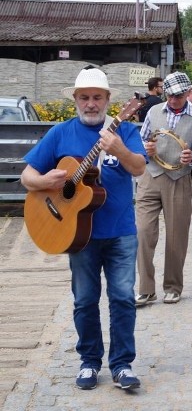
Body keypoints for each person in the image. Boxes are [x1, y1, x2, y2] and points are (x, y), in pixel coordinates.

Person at [21, 67, 147, 390]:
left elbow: (139, 168)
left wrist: (118, 149)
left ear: (108, 101)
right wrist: (45, 181)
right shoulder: (61, 133)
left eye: (97, 98)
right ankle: (89, 362)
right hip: (77, 235)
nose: (91, 104)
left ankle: (122, 365)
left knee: (122, 298)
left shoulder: (126, 130)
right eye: (85, 98)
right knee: (85, 300)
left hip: (120, 231)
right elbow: (26, 176)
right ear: (76, 100)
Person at [135, 72, 192, 306]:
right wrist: (145, 148)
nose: (174, 100)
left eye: (178, 95)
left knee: (176, 236)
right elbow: (140, 140)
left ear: (187, 93)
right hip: (151, 175)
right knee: (142, 232)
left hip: (179, 178)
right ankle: (146, 289)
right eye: (170, 95)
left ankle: (173, 286)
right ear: (164, 93)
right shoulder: (154, 111)